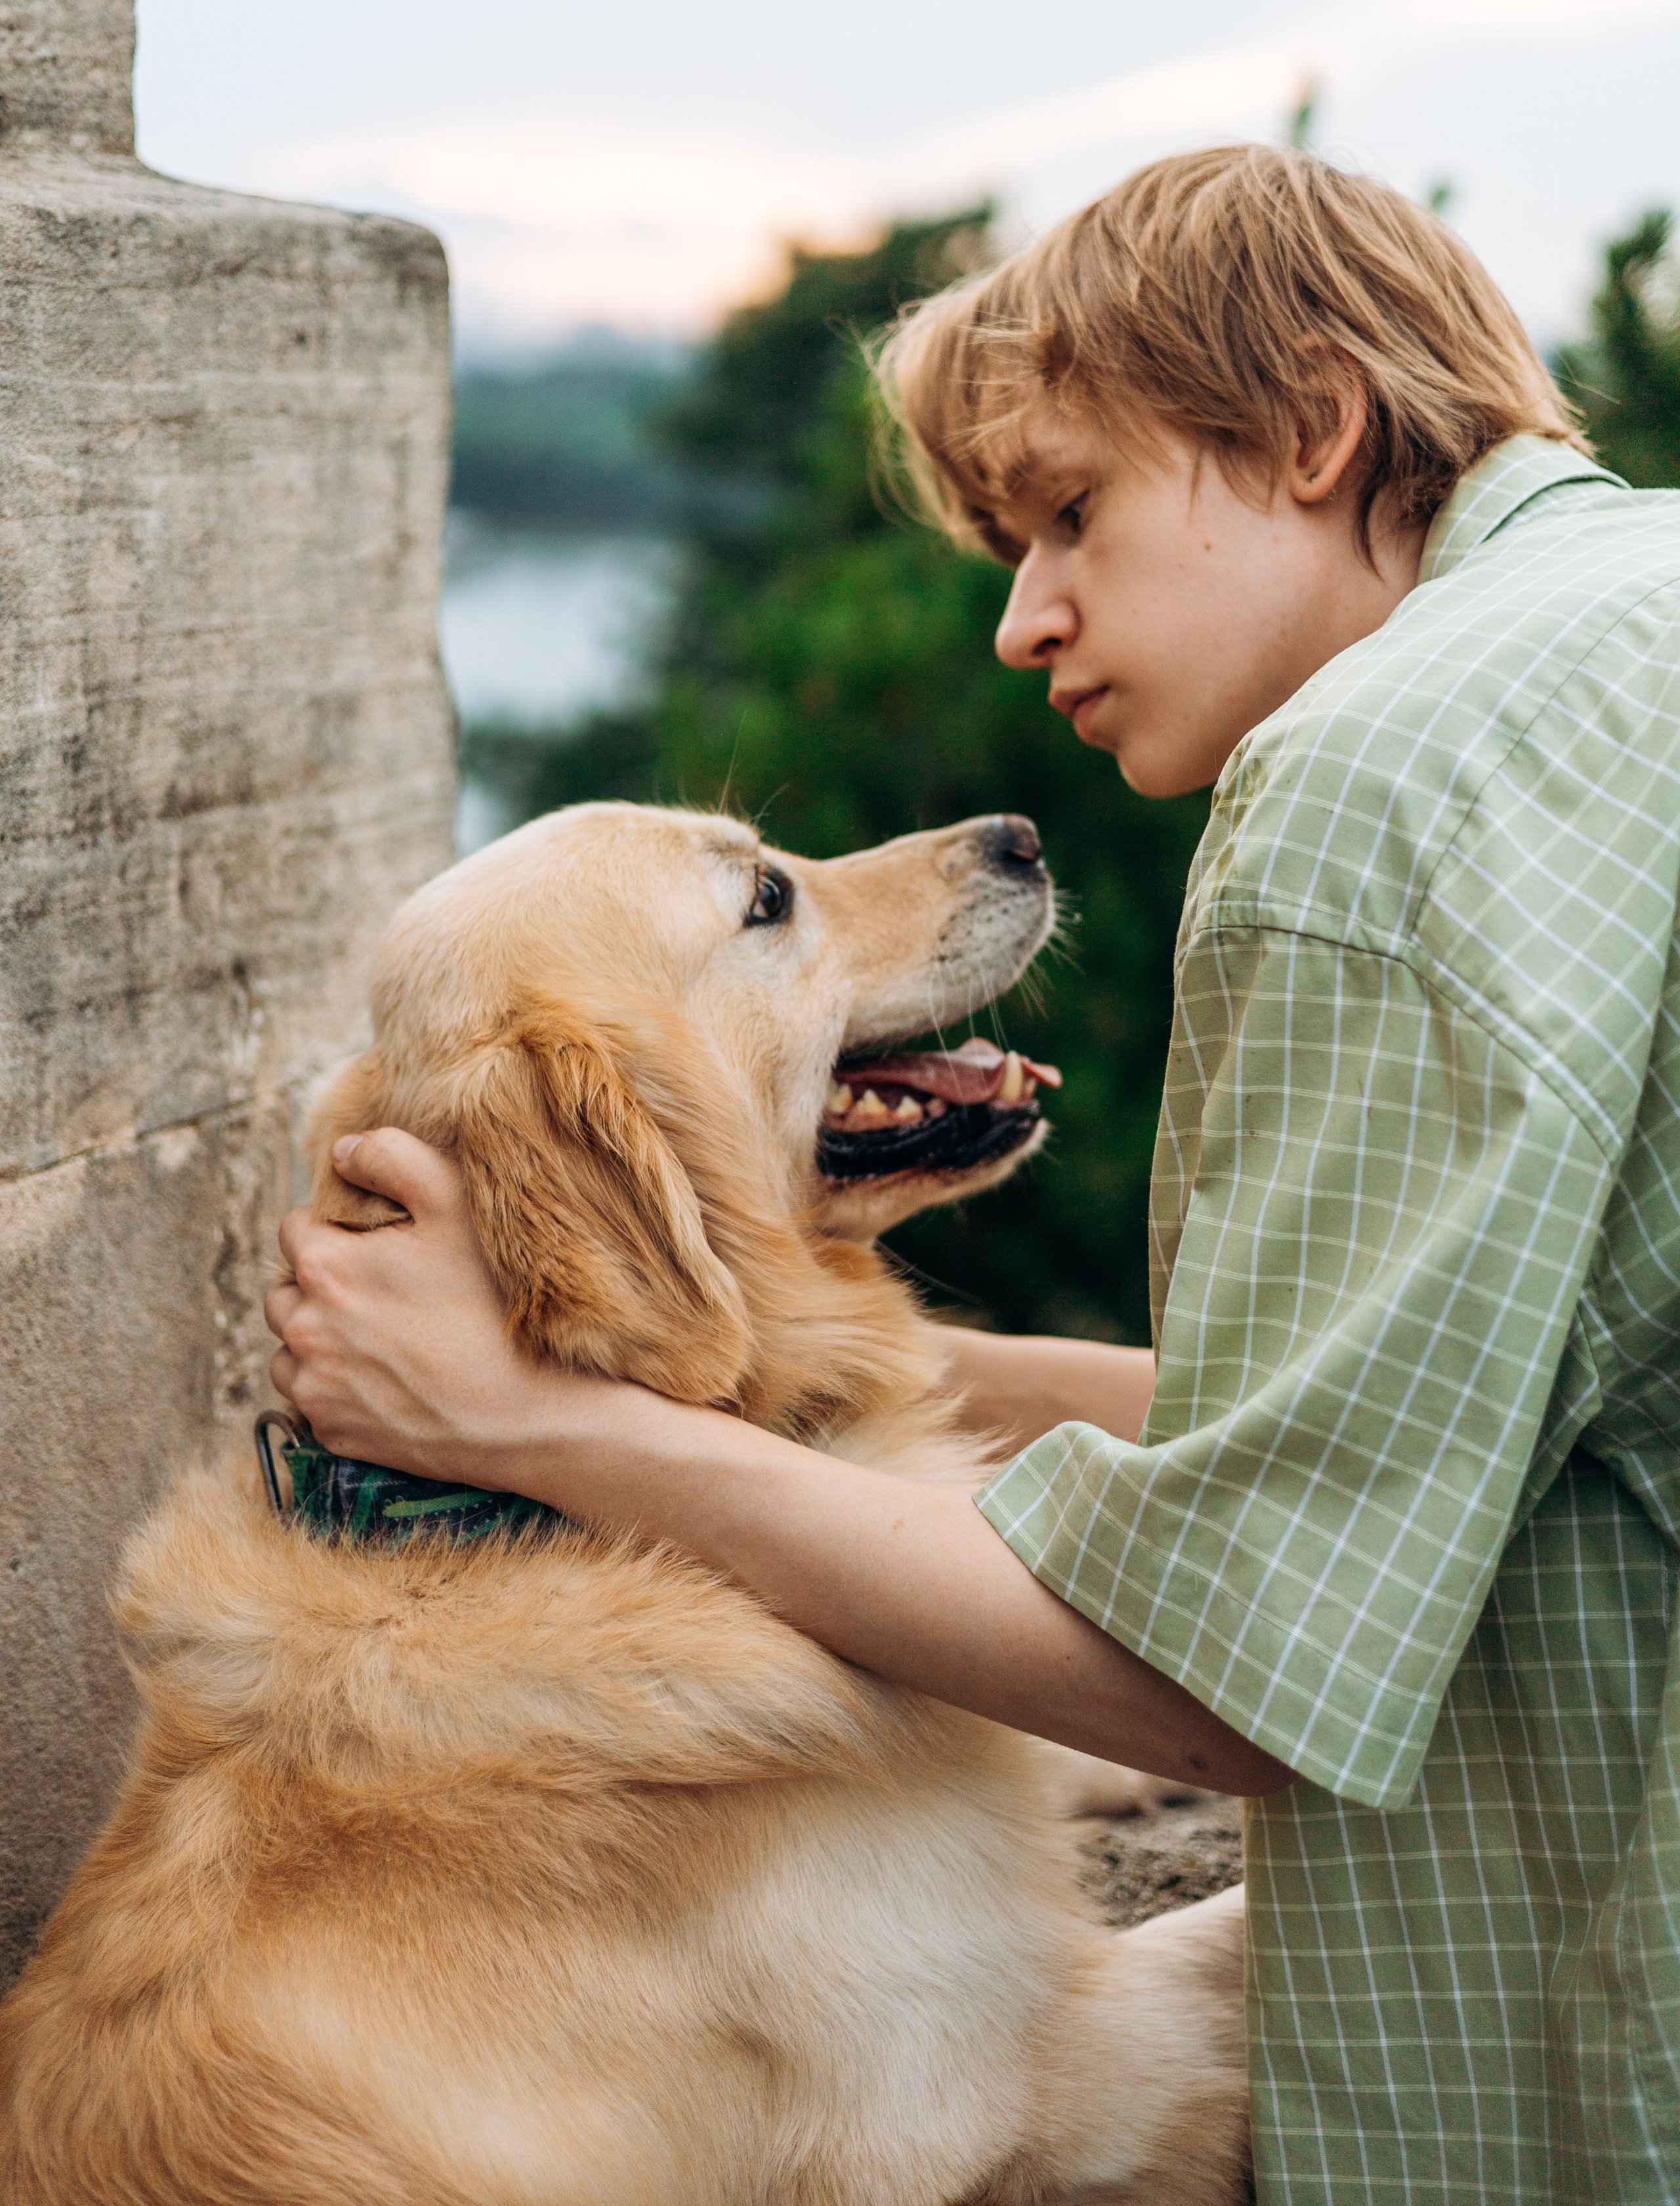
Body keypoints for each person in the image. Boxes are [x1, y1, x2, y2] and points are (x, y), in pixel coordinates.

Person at [267, 143, 1680, 2204]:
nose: (1024, 621)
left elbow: (1222, 1667)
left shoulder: (1374, 788)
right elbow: (1479, 1445)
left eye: (1071, 515)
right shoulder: (1617, 630)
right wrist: (914, 1376)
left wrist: (549, 1427)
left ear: (1311, 423)